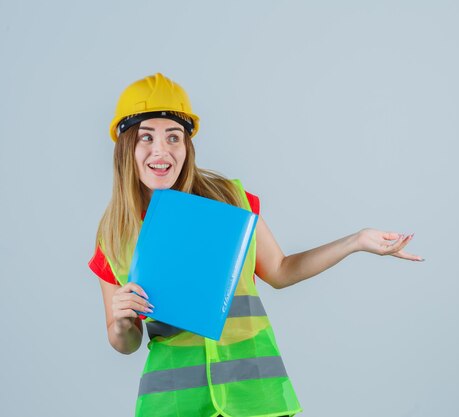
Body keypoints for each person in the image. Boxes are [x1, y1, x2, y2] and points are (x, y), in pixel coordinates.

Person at [88, 73, 424, 417]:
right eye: (147, 137)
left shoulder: (231, 201)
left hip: (256, 398)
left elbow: (280, 270)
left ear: (187, 146)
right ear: (126, 147)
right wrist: (121, 324)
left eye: (173, 137)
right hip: (173, 406)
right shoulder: (113, 235)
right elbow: (126, 343)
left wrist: (356, 241)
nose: (161, 150)